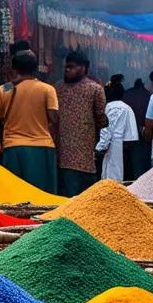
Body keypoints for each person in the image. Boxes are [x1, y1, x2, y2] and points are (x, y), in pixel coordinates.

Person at [0, 42, 59, 193]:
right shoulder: (47, 89)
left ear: (14, 69)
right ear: (35, 68)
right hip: (43, 148)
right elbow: (54, 119)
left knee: (15, 197)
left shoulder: (4, 89)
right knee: (42, 198)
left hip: (14, 149)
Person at [54, 49, 107, 196]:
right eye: (66, 67)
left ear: (83, 68)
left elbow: (101, 116)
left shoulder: (93, 89)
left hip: (78, 155)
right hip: (73, 156)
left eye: (71, 67)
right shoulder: (58, 88)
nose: (66, 70)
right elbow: (101, 119)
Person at [97, 82, 139, 181]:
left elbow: (106, 129)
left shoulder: (109, 107)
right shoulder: (127, 107)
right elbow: (132, 133)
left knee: (112, 176)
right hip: (126, 146)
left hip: (113, 145)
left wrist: (100, 147)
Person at [122, 77, 153, 180]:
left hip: (127, 131)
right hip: (143, 130)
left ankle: (131, 179)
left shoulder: (127, 94)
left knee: (130, 159)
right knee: (142, 158)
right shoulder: (147, 95)